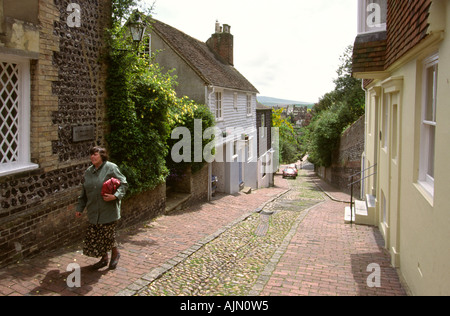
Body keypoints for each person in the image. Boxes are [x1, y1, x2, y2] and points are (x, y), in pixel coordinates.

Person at [75, 147, 128, 270]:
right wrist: (80, 208)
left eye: (95, 154)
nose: (92, 157)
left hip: (108, 210)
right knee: (97, 236)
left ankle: (115, 253)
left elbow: (124, 183)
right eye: (91, 155)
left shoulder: (111, 167)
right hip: (93, 210)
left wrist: (115, 196)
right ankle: (104, 258)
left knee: (107, 235)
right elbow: (84, 192)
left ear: (102, 156)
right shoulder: (88, 172)